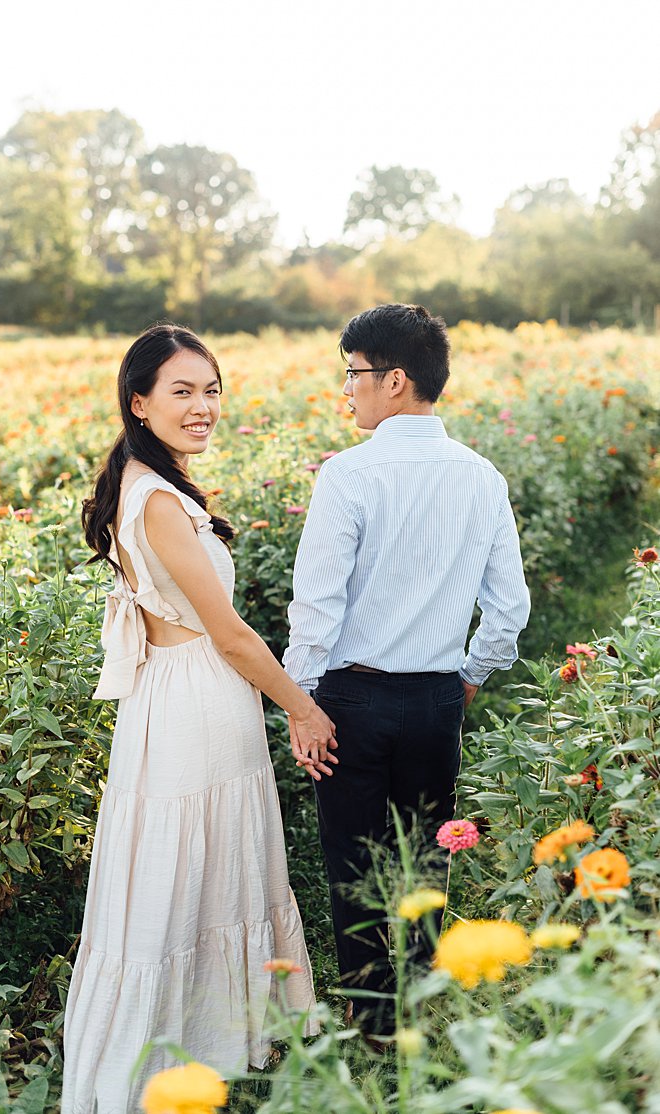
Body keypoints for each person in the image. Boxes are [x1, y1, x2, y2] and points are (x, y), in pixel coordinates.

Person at [61, 324, 326, 1113]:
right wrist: (303, 710)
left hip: (181, 697)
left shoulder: (149, 485)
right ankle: (171, 1050)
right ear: (139, 403)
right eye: (182, 391)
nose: (203, 406)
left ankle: (216, 1036)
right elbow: (233, 635)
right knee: (182, 869)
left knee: (204, 866)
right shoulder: (156, 501)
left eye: (211, 389)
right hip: (194, 697)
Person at [283, 303, 530, 1038]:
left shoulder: (349, 476)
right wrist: (470, 679)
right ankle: (422, 1004)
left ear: (394, 380)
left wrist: (301, 701)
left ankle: (370, 1021)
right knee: (427, 858)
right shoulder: (482, 477)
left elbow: (316, 607)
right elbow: (509, 609)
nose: (347, 389)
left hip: (350, 699)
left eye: (354, 373)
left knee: (353, 862)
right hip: (436, 698)